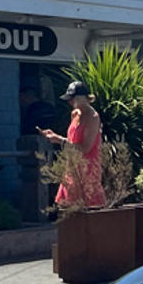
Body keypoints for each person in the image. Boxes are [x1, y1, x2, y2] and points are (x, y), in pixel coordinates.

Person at [42, 81, 106, 210]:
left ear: (84, 98)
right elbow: (73, 141)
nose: (70, 102)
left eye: (73, 99)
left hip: (87, 168)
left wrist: (59, 140)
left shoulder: (93, 117)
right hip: (72, 165)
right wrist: (56, 137)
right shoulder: (75, 114)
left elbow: (85, 148)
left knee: (89, 208)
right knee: (68, 208)